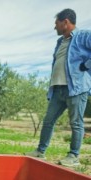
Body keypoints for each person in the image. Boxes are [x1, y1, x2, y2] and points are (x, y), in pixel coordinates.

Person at [25, 9, 91, 167]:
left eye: (57, 23)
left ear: (66, 22)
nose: (55, 27)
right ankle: (40, 151)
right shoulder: (59, 42)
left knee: (76, 123)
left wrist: (86, 65)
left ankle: (73, 156)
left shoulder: (83, 36)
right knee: (48, 121)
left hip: (76, 89)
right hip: (58, 89)